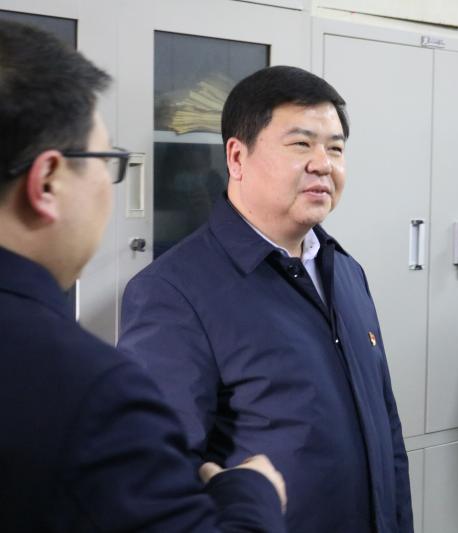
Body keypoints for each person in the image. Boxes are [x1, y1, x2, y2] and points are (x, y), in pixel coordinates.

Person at [0, 19, 286, 532]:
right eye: (106, 159)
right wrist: (249, 494)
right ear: (46, 182)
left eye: (335, 146)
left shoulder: (341, 269)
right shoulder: (90, 391)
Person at [118, 65, 413, 533]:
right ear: (237, 157)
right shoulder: (172, 292)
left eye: (335, 148)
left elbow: (387, 434)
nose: (323, 164)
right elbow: (158, 475)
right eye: (301, 144)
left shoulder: (345, 272)